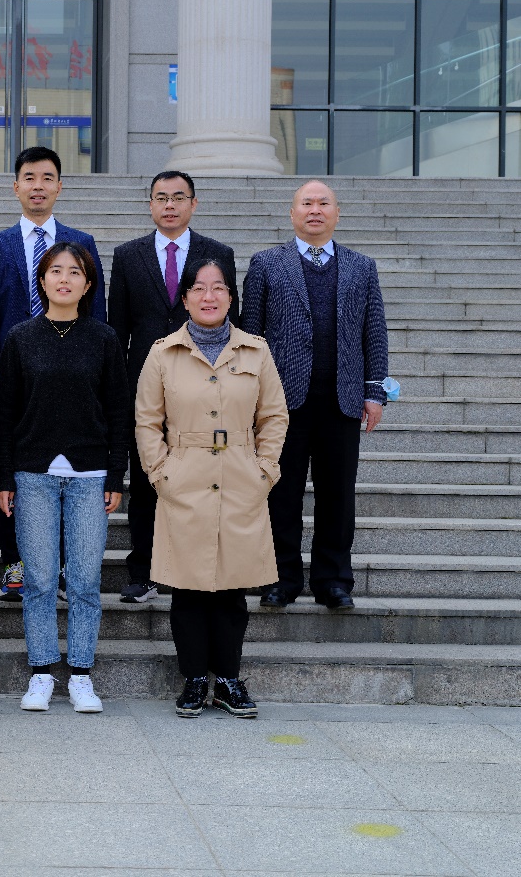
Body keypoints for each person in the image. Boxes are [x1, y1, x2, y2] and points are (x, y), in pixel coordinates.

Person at [135, 259, 288, 718]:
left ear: (230, 297)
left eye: (218, 287)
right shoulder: (163, 353)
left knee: (232, 589)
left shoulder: (256, 351)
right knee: (188, 588)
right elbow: (147, 420)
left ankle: (227, 680)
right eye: (199, 288)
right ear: (184, 299)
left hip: (241, 478)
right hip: (184, 478)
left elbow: (274, 416)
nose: (209, 296)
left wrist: (265, 470)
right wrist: (161, 472)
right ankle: (194, 678)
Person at [241, 181, 389, 612]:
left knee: (338, 495)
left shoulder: (362, 267)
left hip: (342, 400)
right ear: (292, 214)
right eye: (306, 203)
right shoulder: (267, 264)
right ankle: (279, 579)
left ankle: (333, 581)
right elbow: (250, 333)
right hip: (281, 403)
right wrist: (249, 396)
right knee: (280, 494)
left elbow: (374, 332)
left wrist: (374, 391)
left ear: (337, 213)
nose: (315, 210)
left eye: (324, 203)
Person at [0, 241, 129, 713]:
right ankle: (41, 672)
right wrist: (4, 478)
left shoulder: (104, 338)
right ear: (42, 280)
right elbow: (4, 412)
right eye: (55, 271)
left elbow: (119, 410)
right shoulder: (21, 337)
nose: (64, 279)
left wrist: (116, 474)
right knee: (38, 579)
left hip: (91, 476)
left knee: (86, 579)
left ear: (88, 284)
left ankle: (82, 674)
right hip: (32, 474)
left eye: (74, 272)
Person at [0, 146, 105, 602]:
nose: (38, 186)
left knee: (66, 474)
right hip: (14, 381)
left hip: (70, 379)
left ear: (59, 187)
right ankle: (15, 566)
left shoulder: (81, 243)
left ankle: (63, 568)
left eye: (47, 178)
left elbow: (97, 316)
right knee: (11, 471)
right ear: (16, 187)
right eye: (29, 178)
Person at [108, 170, 239, 606]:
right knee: (148, 478)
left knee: (200, 477)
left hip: (203, 383)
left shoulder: (218, 254)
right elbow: (117, 327)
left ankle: (192, 568)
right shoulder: (128, 255)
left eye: (178, 197)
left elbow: (228, 319)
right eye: (161, 197)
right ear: (150, 204)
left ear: (193, 204)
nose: (169, 205)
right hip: (144, 383)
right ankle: (143, 571)